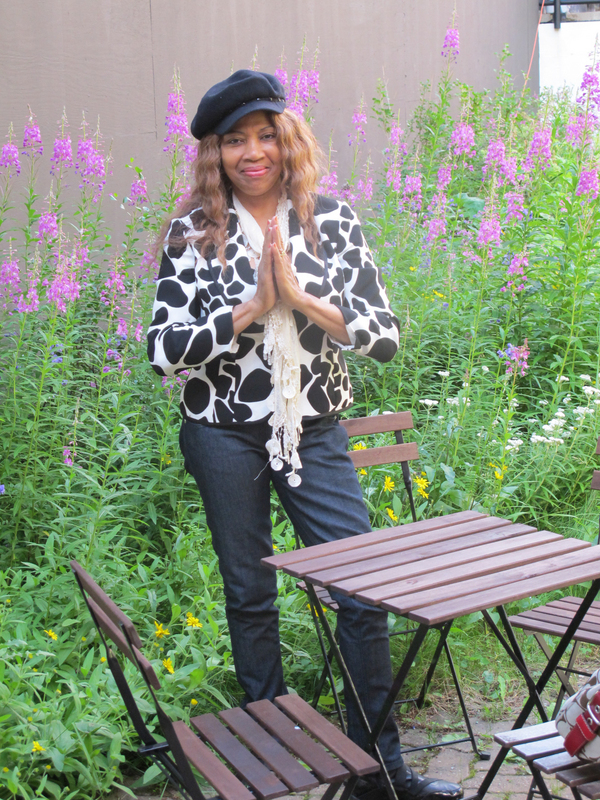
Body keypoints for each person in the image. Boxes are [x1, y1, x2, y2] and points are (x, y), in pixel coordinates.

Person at [147, 69, 462, 800]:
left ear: (288, 140)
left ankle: (379, 772)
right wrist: (251, 309)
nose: (253, 152)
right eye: (235, 140)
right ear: (216, 152)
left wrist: (301, 300)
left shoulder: (334, 220)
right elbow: (163, 350)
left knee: (362, 592)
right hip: (223, 432)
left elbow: (383, 337)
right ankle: (272, 765)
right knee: (250, 595)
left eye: (266, 135)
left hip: (314, 428)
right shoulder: (191, 233)